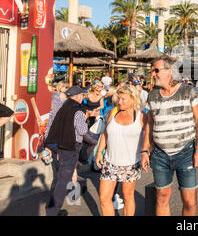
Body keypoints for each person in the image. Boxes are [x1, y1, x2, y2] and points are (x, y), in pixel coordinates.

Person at [141, 57, 198, 216]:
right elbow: (149, 124)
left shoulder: (187, 91)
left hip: (186, 153)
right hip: (160, 155)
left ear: (169, 71)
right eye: (152, 71)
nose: (153, 74)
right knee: (161, 198)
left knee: (189, 201)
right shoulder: (152, 95)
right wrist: (144, 151)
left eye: (156, 70)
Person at [95, 85, 147, 216]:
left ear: (133, 99)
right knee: (104, 198)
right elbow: (105, 134)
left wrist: (146, 153)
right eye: (118, 98)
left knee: (128, 197)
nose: (119, 101)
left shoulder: (141, 115)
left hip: (130, 163)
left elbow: (148, 137)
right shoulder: (113, 111)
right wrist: (99, 152)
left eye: (123, 99)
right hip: (110, 161)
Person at [44, 86, 91, 216]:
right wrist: (86, 117)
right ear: (78, 96)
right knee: (63, 180)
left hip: (57, 145)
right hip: (70, 146)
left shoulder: (59, 108)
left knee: (65, 175)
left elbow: (50, 126)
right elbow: (82, 130)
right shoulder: (78, 111)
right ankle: (53, 210)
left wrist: (47, 144)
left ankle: (73, 196)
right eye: (82, 95)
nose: (83, 97)